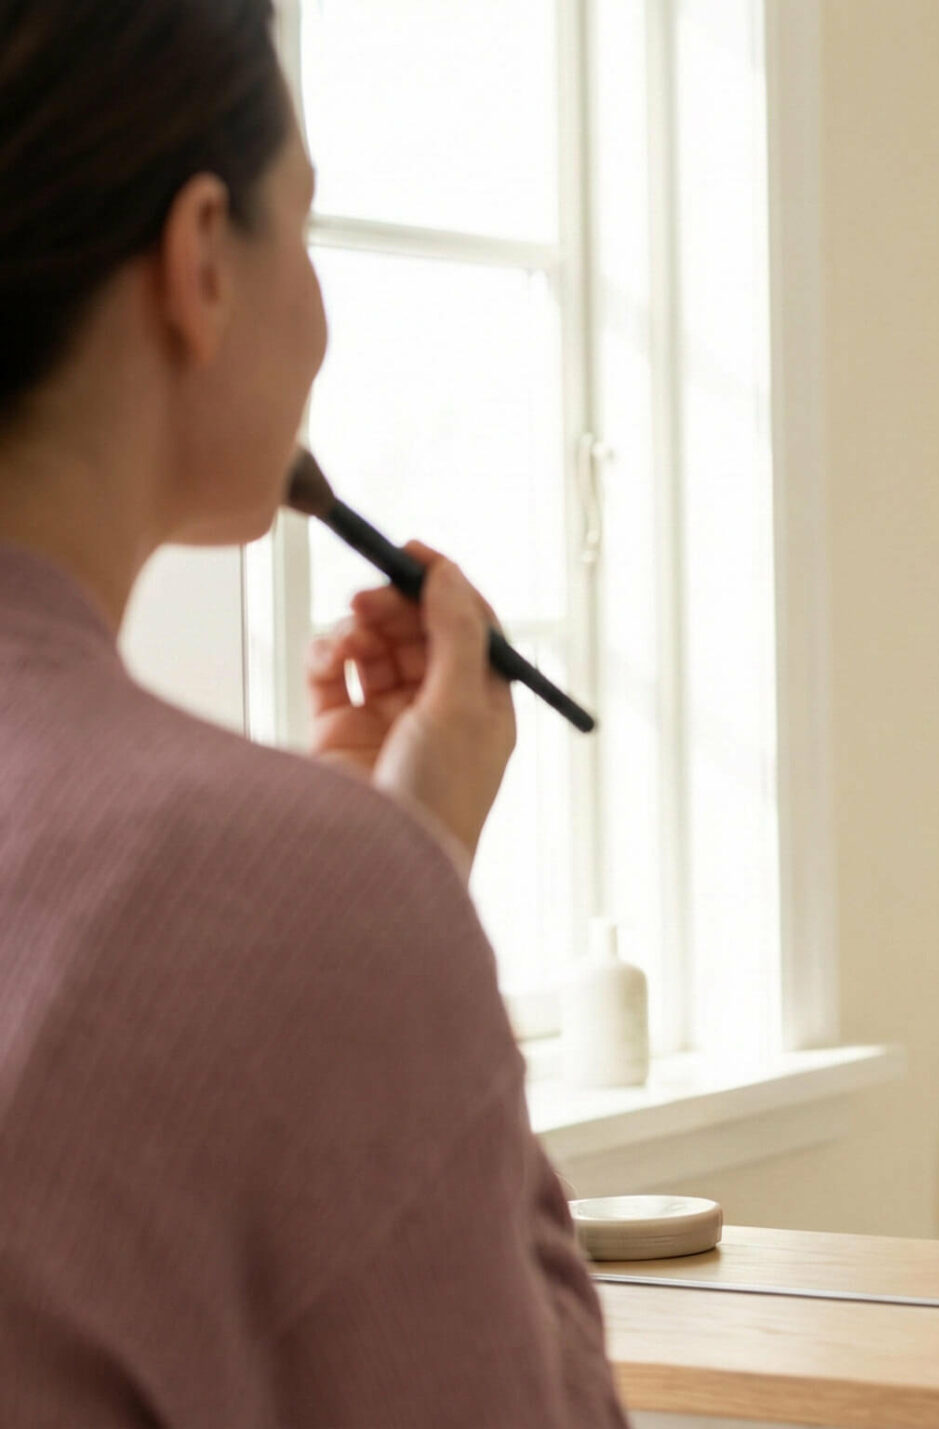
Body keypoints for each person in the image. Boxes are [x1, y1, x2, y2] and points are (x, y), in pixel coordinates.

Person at [0, 2, 624, 1422]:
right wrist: (401, 881)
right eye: (309, 226)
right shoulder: (298, 891)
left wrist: (381, 855)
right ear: (200, 256)